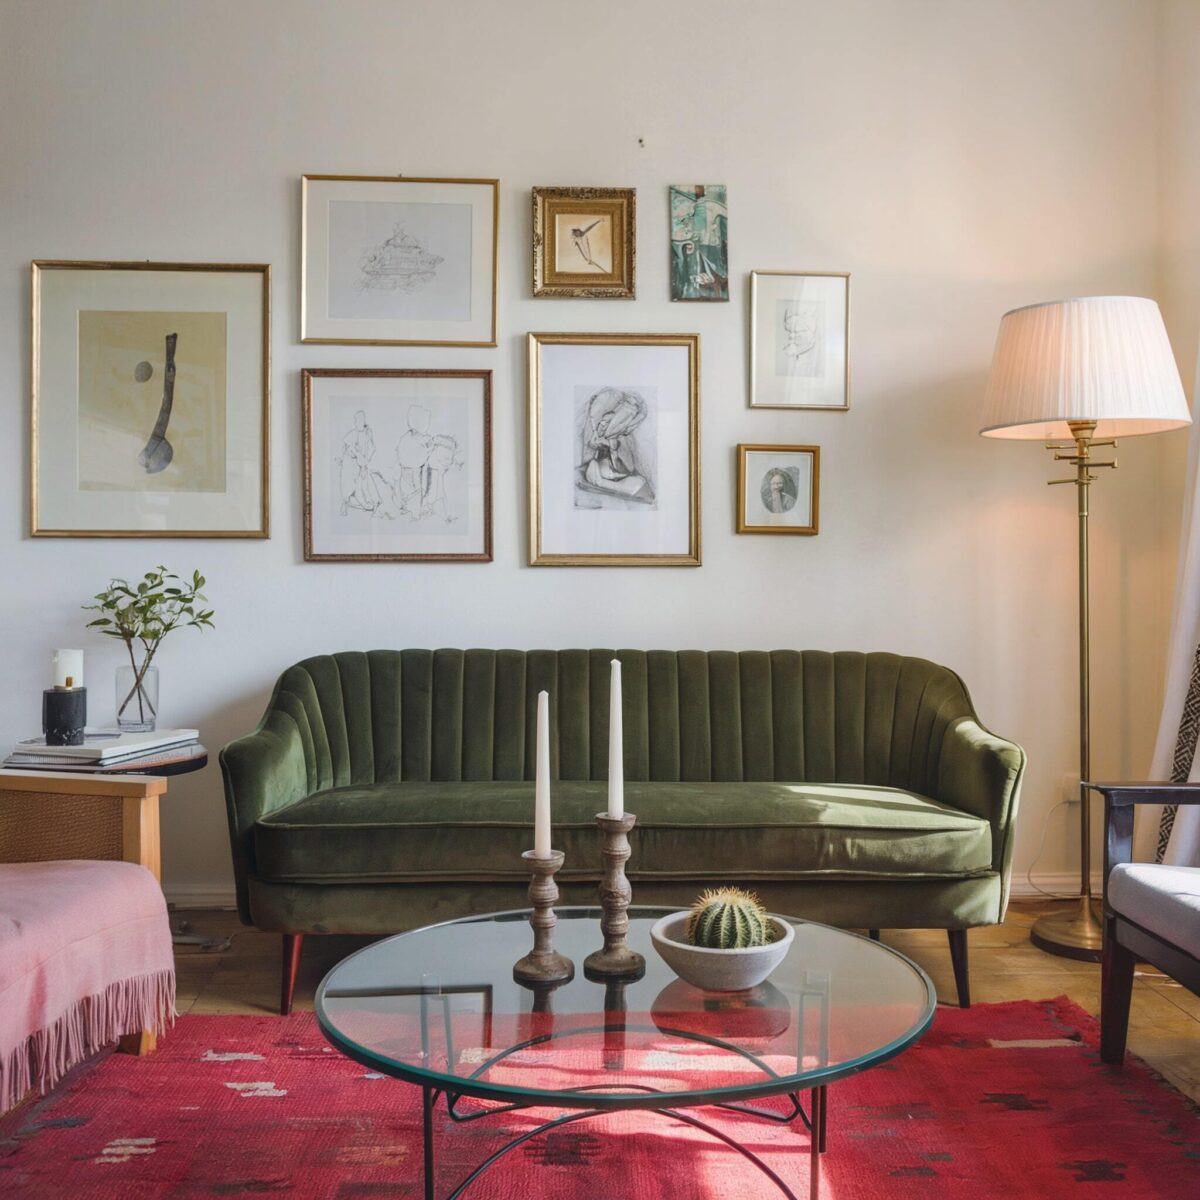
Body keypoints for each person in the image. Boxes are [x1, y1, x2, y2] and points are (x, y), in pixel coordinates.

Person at [578, 388, 654, 503]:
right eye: (601, 422)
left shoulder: (619, 439)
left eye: (607, 422)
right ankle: (601, 483)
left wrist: (611, 446)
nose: (602, 425)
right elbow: (592, 453)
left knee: (638, 483)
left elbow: (627, 467)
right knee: (593, 467)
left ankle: (603, 483)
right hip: (602, 474)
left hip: (618, 477)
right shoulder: (596, 441)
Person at [338, 410, 382, 515]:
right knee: (347, 484)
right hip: (349, 464)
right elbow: (345, 446)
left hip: (360, 465)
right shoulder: (353, 433)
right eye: (355, 420)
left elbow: (370, 450)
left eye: (357, 420)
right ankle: (345, 503)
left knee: (364, 485)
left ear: (362, 421)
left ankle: (374, 505)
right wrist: (343, 455)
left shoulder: (367, 435)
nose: (355, 422)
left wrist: (363, 464)